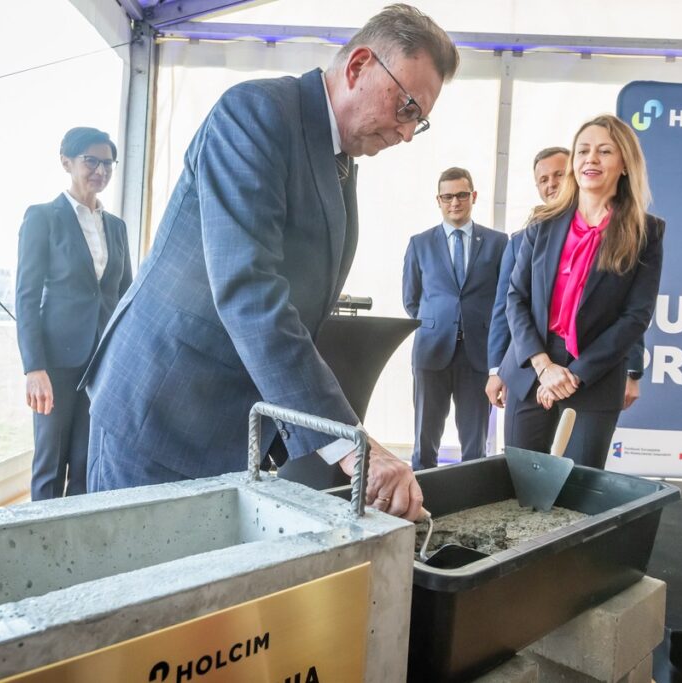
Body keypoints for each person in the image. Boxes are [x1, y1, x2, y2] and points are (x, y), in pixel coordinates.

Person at [81, 4, 459, 521]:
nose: (408, 133)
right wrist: (350, 444)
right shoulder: (254, 114)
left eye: (421, 120)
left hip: (225, 426)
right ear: (358, 67)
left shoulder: (340, 157)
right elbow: (249, 291)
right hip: (160, 414)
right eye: (407, 106)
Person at [497, 115, 664, 469]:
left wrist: (573, 375)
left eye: (604, 151)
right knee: (518, 484)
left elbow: (636, 316)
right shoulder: (542, 222)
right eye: (583, 150)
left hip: (595, 374)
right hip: (531, 367)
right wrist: (543, 368)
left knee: (576, 491)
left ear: (624, 164)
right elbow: (515, 298)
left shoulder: (645, 233)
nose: (591, 159)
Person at [15, 127, 133, 500]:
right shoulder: (43, 217)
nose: (101, 170)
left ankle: (74, 548)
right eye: (91, 161)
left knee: (88, 464)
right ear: (67, 162)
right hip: (56, 363)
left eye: (108, 163)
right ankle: (41, 547)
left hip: (102, 364)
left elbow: (124, 296)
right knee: (50, 464)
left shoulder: (116, 228)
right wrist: (34, 368)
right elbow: (26, 297)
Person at [402, 167, 507, 470]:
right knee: (425, 438)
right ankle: (420, 497)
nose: (455, 202)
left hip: (479, 353)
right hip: (432, 351)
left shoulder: (498, 243)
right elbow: (411, 300)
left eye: (461, 195)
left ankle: (472, 501)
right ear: (438, 200)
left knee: (476, 443)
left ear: (473, 196)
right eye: (447, 197)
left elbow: (504, 300)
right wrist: (439, 323)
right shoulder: (419, 243)